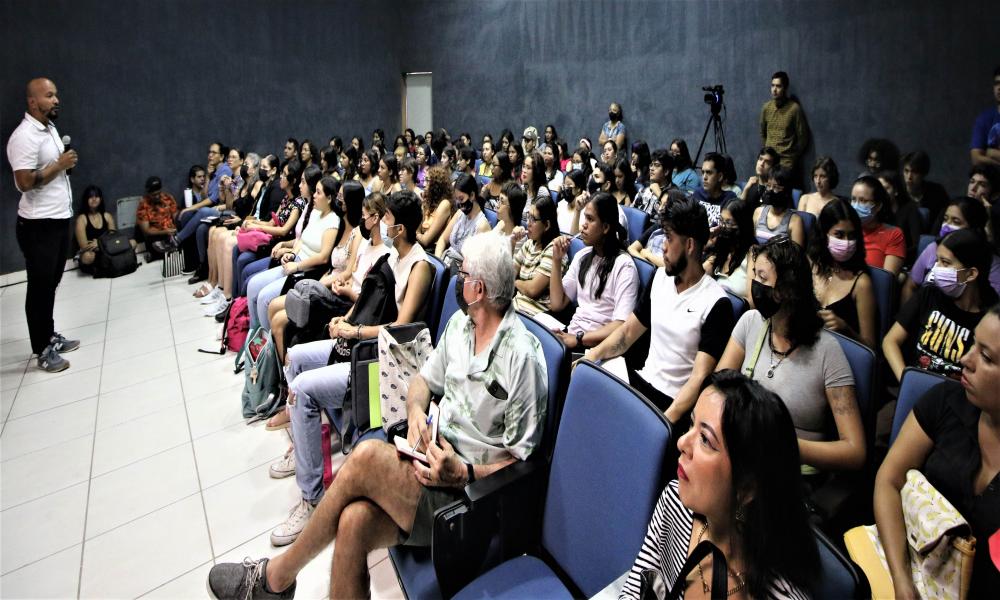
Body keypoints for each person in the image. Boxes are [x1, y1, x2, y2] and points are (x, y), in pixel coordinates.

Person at [208, 230, 545, 600]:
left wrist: (462, 473)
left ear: (478, 289)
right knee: (353, 523)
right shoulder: (461, 328)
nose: (457, 279)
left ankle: (274, 579)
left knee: (366, 455)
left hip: (471, 500)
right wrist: (416, 412)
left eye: (463, 275)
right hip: (431, 467)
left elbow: (521, 464)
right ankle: (276, 584)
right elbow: (422, 382)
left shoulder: (522, 358)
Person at [263, 191, 431, 545]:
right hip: (362, 343)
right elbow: (368, 300)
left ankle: (312, 500)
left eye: (385, 219)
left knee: (306, 388)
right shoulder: (389, 255)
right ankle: (306, 449)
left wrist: (354, 330)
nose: (381, 225)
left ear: (400, 227)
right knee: (296, 357)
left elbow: (400, 326)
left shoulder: (420, 265)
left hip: (382, 359)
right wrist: (349, 319)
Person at [619, 370, 819, 600]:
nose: (682, 442)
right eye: (691, 425)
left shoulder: (779, 594)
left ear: (746, 488)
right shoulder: (674, 503)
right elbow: (635, 591)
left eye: (705, 439)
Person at [873, 304, 1000, 599]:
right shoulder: (945, 401)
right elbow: (889, 480)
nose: (964, 360)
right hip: (911, 564)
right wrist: (902, 580)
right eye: (972, 345)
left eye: (986, 357)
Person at [717, 236, 866, 475]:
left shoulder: (828, 352)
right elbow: (718, 388)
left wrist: (785, 444)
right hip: (742, 458)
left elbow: (854, 451)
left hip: (792, 476)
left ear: (788, 290)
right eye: (754, 274)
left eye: (762, 278)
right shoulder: (751, 322)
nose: (754, 284)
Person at [584, 197, 735, 424]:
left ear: (690, 245)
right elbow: (626, 334)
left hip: (669, 403)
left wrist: (663, 424)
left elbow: (698, 378)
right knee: (586, 387)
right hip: (640, 383)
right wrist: (590, 358)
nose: (663, 246)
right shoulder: (660, 277)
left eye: (669, 238)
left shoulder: (717, 303)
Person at [6, 78, 82, 374]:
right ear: (32, 102)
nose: (56, 100)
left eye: (56, 94)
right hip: (38, 226)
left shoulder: (49, 129)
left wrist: (63, 166)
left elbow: (52, 169)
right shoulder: (23, 136)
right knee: (39, 288)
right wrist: (58, 166)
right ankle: (41, 349)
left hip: (57, 219)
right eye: (49, 96)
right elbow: (23, 182)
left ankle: (49, 335)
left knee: (50, 284)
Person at [883, 229, 999, 382]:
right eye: (937, 260)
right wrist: (906, 381)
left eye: (945, 263)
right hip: (914, 384)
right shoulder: (929, 293)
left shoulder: (990, 319)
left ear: (970, 274)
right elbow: (890, 341)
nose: (936, 268)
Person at [547, 192, 640, 351]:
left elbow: (621, 325)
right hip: (573, 335)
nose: (583, 225)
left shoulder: (624, 266)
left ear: (605, 227)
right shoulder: (582, 256)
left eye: (590, 219)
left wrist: (578, 339)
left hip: (597, 347)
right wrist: (556, 260)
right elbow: (556, 304)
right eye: (585, 218)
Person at [809, 198, 878, 349]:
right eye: (839, 235)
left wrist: (846, 329)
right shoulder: (811, 265)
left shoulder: (861, 283)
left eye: (852, 236)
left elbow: (870, 349)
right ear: (824, 234)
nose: (847, 242)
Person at [903, 196, 1000, 303]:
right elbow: (911, 286)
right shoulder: (933, 248)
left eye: (956, 222)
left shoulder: (992, 264)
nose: (947, 226)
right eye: (945, 219)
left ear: (973, 228)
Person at [513, 195, 566, 315]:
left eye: (533, 219)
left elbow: (533, 290)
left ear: (546, 225)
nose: (528, 223)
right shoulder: (529, 244)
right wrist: (512, 243)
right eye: (528, 217)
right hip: (515, 307)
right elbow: (509, 274)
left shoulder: (555, 249)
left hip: (534, 316)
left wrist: (516, 282)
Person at [851, 175, 906, 275]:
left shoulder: (893, 234)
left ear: (878, 206)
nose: (855, 206)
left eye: (863, 201)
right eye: (854, 199)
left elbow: (886, 281)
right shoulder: (846, 230)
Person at [759, 71, 810, 174]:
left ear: (785, 88)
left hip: (786, 163)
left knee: (780, 188)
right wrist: (767, 150)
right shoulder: (766, 108)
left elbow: (803, 136)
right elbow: (762, 132)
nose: (774, 89)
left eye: (778, 86)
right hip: (769, 161)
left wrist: (792, 155)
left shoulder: (794, 109)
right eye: (772, 85)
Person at [436, 173, 490, 270]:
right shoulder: (460, 214)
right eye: (456, 199)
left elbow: (477, 266)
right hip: (445, 263)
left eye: (461, 199)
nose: (459, 204)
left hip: (461, 273)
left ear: (472, 195)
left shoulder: (482, 226)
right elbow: (442, 240)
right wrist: (438, 264)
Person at [703, 198, 755, 298]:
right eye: (721, 220)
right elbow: (695, 277)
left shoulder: (752, 253)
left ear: (742, 226)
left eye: (729, 223)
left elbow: (751, 300)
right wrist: (704, 243)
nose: (723, 226)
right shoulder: (722, 250)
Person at [74, 185, 132, 274]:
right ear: (86, 200)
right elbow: (84, 246)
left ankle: (105, 264)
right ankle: (106, 264)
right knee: (87, 257)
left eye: (96, 196)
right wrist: (101, 245)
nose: (94, 199)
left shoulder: (107, 216)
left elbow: (114, 239)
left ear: (100, 199)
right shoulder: (82, 219)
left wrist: (99, 243)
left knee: (133, 243)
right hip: (93, 252)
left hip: (107, 249)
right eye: (90, 197)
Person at [877, 170, 924, 266]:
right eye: (879, 189)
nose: (882, 193)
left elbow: (917, 245)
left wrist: (893, 256)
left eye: (886, 188)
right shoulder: (876, 210)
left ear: (896, 191)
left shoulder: (910, 209)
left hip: (903, 261)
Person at [752, 165, 805, 247]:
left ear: (786, 191)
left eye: (776, 187)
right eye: (768, 186)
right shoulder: (758, 212)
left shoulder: (795, 221)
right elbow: (752, 245)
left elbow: (796, 255)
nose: (770, 190)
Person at [901, 150, 949, 228]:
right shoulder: (898, 192)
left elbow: (944, 219)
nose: (909, 177)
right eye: (906, 171)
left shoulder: (937, 192)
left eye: (915, 172)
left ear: (923, 174)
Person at [693, 153, 738, 228]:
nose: (704, 177)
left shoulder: (730, 198)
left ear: (720, 176)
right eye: (703, 172)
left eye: (709, 173)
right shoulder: (697, 194)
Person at [136, 176, 178, 253]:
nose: (157, 196)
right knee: (157, 248)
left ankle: (173, 246)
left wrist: (176, 228)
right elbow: (146, 231)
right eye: (154, 195)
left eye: (159, 193)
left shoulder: (168, 198)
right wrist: (164, 232)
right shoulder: (143, 205)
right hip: (156, 236)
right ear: (149, 193)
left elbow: (176, 218)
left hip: (171, 233)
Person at [969, 65, 1000, 168]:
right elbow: (976, 159)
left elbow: (985, 155)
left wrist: (991, 153)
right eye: (997, 83)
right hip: (992, 182)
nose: (999, 88)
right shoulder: (984, 119)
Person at [416, 165, 454, 249]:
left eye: (427, 180)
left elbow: (426, 240)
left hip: (433, 251)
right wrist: (422, 206)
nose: (424, 184)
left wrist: (417, 233)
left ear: (436, 184)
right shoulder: (428, 202)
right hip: (422, 247)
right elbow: (420, 230)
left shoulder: (444, 204)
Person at [632, 148, 671, 215]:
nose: (651, 168)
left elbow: (669, 218)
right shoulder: (644, 189)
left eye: (656, 165)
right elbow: (631, 211)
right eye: (651, 165)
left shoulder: (672, 193)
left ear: (666, 171)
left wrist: (659, 194)